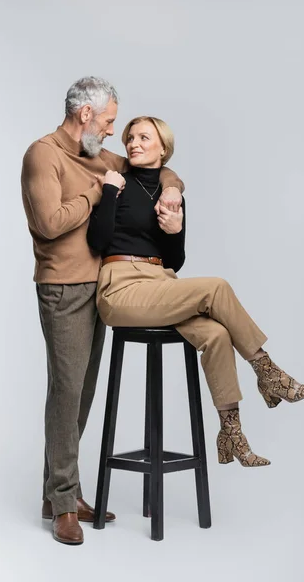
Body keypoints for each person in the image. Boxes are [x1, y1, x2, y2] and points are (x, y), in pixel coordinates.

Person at [87, 115, 304, 471]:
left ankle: (231, 432)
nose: (133, 143)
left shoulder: (171, 194)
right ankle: (270, 374)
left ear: (163, 148)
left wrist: (175, 229)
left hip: (159, 282)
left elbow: (175, 261)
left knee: (216, 333)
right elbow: (97, 241)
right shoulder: (117, 182)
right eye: (130, 137)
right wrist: (107, 192)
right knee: (216, 287)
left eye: (143, 137)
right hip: (120, 287)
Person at [21, 78, 184, 545]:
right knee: (67, 391)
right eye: (111, 120)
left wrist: (171, 189)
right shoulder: (43, 154)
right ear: (86, 114)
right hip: (63, 286)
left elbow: (152, 166)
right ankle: (63, 504)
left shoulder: (99, 154)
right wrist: (97, 193)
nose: (116, 133)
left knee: (84, 391)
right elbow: (48, 223)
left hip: (103, 286)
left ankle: (60, 494)